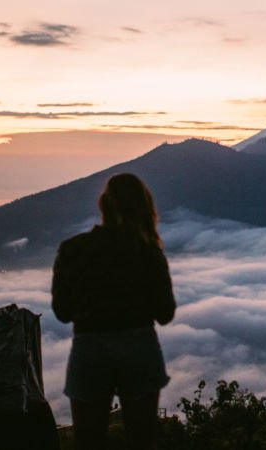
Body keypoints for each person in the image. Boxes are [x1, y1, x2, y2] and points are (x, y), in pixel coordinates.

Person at [52, 173, 176, 450]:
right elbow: (165, 313)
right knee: (142, 439)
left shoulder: (72, 250)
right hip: (139, 345)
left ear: (103, 205)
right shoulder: (148, 252)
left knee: (88, 439)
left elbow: (62, 311)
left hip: (89, 348)